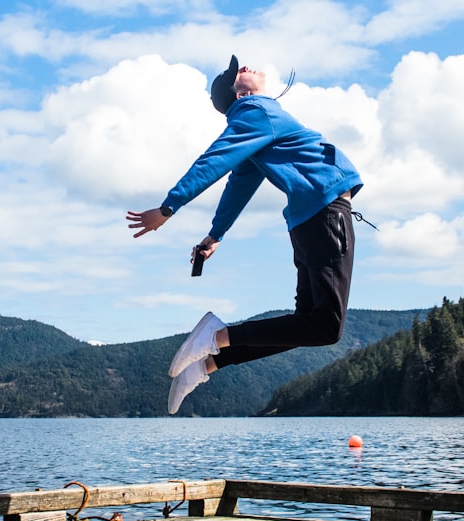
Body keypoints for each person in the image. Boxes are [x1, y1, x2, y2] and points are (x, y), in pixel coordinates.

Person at [126, 55, 364, 414]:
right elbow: (214, 160)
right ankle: (215, 338)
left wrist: (216, 233)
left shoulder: (260, 123)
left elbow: (239, 183)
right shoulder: (257, 112)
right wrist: (168, 208)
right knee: (326, 327)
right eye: (237, 75)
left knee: (309, 325)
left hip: (311, 221)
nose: (245, 68)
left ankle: (209, 364)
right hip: (324, 216)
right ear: (238, 96)